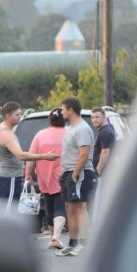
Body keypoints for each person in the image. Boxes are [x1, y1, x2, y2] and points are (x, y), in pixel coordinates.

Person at [0, 102, 58, 211]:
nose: (20, 117)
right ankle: (4, 228)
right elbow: (20, 155)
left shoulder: (2, 128)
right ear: (8, 116)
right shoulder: (6, 133)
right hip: (9, 177)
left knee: (8, 209)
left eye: (20, 114)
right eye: (17, 115)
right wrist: (45, 156)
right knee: (8, 210)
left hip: (8, 176)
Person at [56, 97, 97, 256]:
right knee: (69, 207)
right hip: (68, 172)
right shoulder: (71, 127)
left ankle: (84, 244)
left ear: (71, 109)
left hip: (79, 172)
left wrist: (75, 173)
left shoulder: (82, 128)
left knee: (80, 207)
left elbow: (84, 153)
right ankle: (72, 243)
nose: (61, 112)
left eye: (63, 109)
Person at [28, 109, 67, 250]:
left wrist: (28, 174)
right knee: (60, 208)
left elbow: (31, 157)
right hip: (64, 176)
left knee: (50, 207)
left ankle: (52, 237)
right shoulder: (69, 133)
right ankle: (56, 236)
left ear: (50, 119)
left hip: (44, 177)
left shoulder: (40, 135)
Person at [90, 107, 116, 215]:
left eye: (97, 117)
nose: (94, 120)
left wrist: (98, 168)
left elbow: (105, 152)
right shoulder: (105, 130)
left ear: (104, 118)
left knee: (100, 200)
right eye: (92, 117)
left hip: (104, 171)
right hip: (105, 171)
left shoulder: (105, 132)